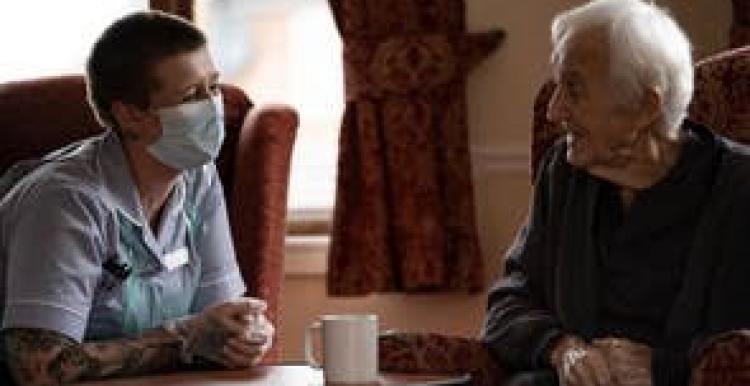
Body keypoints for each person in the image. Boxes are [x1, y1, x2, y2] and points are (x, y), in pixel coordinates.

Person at [481, 1, 750, 385]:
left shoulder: (738, 190)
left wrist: (662, 369)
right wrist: (562, 348)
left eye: (573, 90)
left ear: (645, 107)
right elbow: (507, 303)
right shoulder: (564, 173)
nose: (553, 112)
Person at [0, 11, 274, 385]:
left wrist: (241, 335)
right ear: (130, 114)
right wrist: (182, 341)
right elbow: (40, 367)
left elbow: (218, 319)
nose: (213, 106)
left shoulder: (198, 176)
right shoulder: (67, 200)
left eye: (213, 87)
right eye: (191, 95)